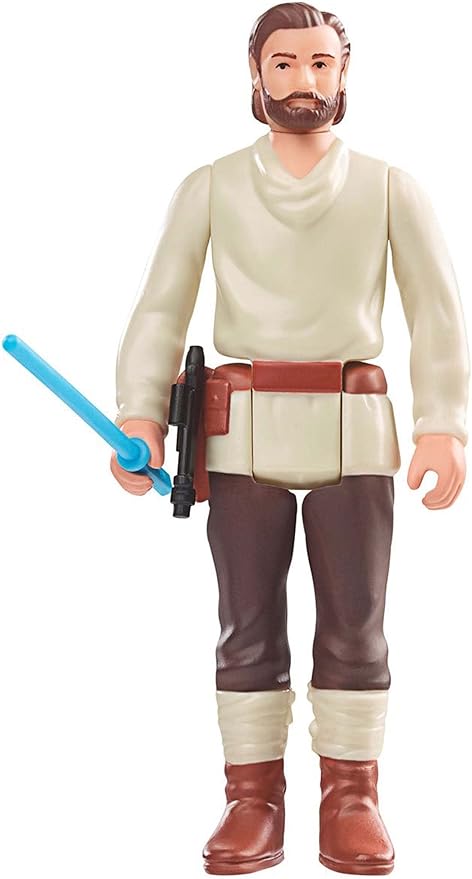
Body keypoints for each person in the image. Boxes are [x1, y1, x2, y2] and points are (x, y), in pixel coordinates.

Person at [110, 3, 469, 875]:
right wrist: (141, 411)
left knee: (356, 621)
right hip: (242, 431)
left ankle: (351, 794)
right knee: (246, 622)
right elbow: (161, 306)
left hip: (353, 425)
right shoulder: (211, 186)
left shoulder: (390, 187)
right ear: (256, 74)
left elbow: (436, 311)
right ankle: (252, 795)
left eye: (318, 63)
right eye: (283, 63)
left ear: (343, 75)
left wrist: (443, 424)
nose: (302, 80)